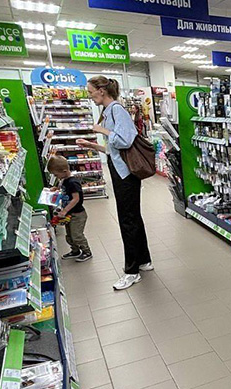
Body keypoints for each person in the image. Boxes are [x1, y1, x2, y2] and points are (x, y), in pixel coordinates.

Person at [77, 76, 153, 291]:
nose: (90, 96)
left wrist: (102, 130)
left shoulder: (116, 110)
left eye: (91, 91)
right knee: (133, 217)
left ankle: (131, 272)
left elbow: (124, 140)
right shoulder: (109, 111)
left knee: (127, 220)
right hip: (122, 170)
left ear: (102, 91)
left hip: (126, 175)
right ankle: (144, 260)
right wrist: (93, 145)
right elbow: (115, 149)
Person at [47, 155, 92, 262]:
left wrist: (65, 210)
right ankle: (75, 250)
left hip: (77, 214)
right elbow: (64, 190)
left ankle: (87, 252)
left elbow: (76, 199)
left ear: (64, 171)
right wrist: (56, 189)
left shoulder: (73, 183)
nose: (56, 176)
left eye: (56, 174)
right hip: (69, 214)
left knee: (77, 235)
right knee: (69, 235)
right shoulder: (64, 180)